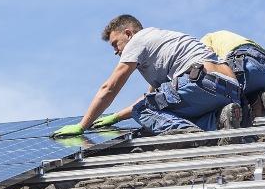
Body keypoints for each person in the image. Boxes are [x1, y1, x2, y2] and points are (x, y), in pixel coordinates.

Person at [52, 15, 242, 138]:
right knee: (164, 109)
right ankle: (220, 119)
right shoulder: (161, 43)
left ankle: (185, 136)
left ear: (128, 33)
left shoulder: (138, 41)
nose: (116, 52)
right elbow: (154, 96)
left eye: (115, 44)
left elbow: (109, 88)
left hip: (201, 82)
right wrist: (116, 117)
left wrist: (83, 125)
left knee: (144, 111)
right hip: (231, 89)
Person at [200, 30, 265, 120]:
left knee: (221, 95)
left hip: (246, 65)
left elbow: (207, 61)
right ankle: (260, 100)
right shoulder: (226, 37)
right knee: (246, 96)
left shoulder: (204, 40)